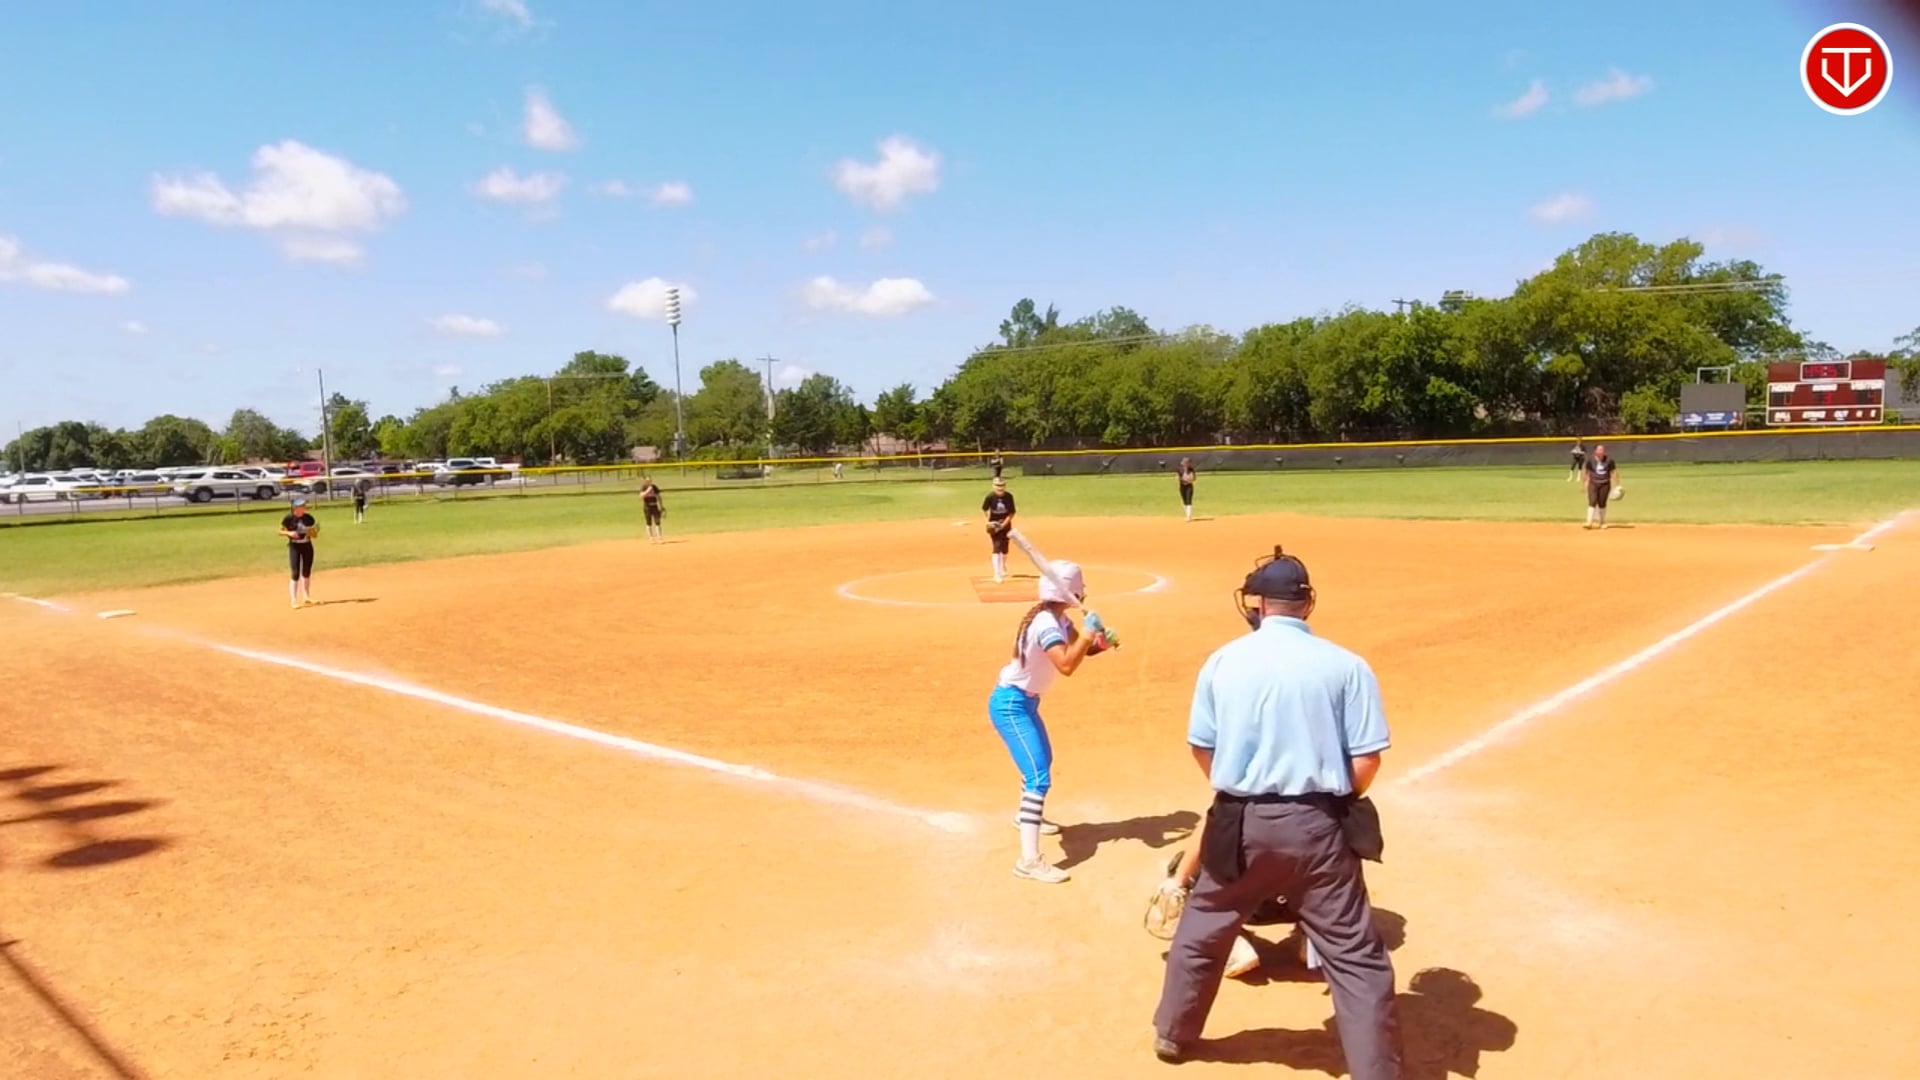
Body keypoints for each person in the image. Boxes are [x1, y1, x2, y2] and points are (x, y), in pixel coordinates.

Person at [1151, 546, 1401, 1076]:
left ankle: (1173, 1034)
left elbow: (1201, 747)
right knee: (1355, 955)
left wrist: (1238, 787)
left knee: (1204, 926)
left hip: (1239, 823)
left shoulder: (1223, 661)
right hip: (1319, 825)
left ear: (1258, 605)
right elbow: (1368, 760)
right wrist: (1333, 801)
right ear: (1307, 603)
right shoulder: (1347, 665)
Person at [987, 561, 1118, 884]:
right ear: (1071, 592)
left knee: (1041, 762)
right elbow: (1066, 665)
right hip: (1011, 705)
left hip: (1026, 703)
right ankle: (1029, 861)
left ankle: (1025, 817)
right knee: (1038, 777)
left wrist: (1101, 642)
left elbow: (1082, 651)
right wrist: (1088, 633)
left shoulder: (1057, 617)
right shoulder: (1046, 623)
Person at [279, 496, 321, 609]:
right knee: (295, 573)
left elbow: (314, 533)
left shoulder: (308, 518)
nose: (304, 507)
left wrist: (313, 532)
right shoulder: (289, 518)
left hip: (307, 545)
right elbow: (280, 531)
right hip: (295, 546)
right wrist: (289, 533)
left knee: (306, 571)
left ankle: (306, 597)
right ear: (296, 508)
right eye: (302, 506)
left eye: (304, 505)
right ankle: (293, 600)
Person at [981, 476, 1016, 583]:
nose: (1000, 488)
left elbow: (1011, 513)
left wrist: (1003, 525)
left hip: (1006, 524)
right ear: (993, 486)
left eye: (1002, 485)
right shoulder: (990, 497)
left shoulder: (1009, 497)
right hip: (994, 525)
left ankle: (1003, 566)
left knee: (1005, 548)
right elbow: (985, 509)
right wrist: (988, 521)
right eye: (997, 486)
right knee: (997, 547)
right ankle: (997, 574)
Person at [1582, 444, 1619, 530]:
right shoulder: (1590, 460)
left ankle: (1602, 522)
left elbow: (1613, 472)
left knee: (1602, 503)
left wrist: (1617, 485)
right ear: (1595, 451)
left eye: (1602, 450)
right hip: (1593, 483)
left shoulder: (1609, 460)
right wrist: (1584, 483)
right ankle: (1589, 522)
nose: (1601, 451)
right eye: (1599, 450)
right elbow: (1586, 472)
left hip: (1605, 483)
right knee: (1592, 501)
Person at [639, 476, 665, 543]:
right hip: (647, 506)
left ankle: (659, 537)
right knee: (649, 522)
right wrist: (648, 491)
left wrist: (661, 506)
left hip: (654, 506)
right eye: (647, 481)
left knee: (657, 522)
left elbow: (659, 497)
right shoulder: (643, 487)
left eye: (650, 481)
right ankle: (651, 538)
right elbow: (641, 496)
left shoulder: (654, 487)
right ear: (645, 481)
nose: (649, 482)